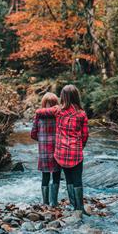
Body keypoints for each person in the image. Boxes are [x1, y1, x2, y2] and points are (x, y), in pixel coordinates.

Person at [35, 85, 89, 215]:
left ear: (63, 97)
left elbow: (39, 112)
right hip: (75, 152)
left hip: (61, 153)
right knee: (77, 180)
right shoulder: (82, 114)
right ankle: (79, 207)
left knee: (69, 179)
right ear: (77, 96)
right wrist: (80, 146)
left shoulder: (57, 111)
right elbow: (85, 135)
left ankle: (72, 206)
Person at [31, 92, 61, 207]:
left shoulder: (39, 116)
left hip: (44, 151)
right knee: (56, 175)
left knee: (45, 176)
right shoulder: (58, 115)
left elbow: (33, 133)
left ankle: (45, 202)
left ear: (43, 103)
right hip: (57, 150)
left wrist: (42, 140)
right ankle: (54, 202)